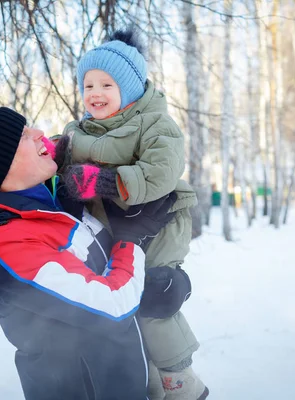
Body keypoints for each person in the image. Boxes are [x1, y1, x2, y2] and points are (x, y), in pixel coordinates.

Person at [0, 106, 193, 400]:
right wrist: (131, 240)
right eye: (23, 135)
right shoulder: (9, 246)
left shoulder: (53, 203)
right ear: (2, 164)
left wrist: (152, 289)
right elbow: (113, 307)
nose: (39, 133)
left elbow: (99, 277)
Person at [57, 28, 208, 400]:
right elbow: (60, 168)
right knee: (119, 303)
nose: (95, 94)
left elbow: (161, 173)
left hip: (161, 223)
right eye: (88, 85)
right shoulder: (76, 132)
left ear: (130, 87)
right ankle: (150, 381)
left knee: (151, 296)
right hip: (110, 227)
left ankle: (180, 380)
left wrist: (106, 183)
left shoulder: (154, 123)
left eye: (106, 85)